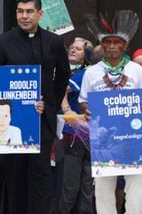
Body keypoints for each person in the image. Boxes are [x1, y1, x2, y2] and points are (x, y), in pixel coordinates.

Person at [0, 0, 70, 214]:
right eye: (20, 11)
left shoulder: (54, 41)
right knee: (14, 179)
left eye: (29, 11)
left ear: (40, 14)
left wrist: (50, 102)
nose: (24, 16)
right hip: (11, 123)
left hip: (41, 122)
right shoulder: (2, 42)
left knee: (40, 178)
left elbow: (63, 74)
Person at [79, 10, 142, 214]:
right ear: (102, 45)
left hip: (132, 136)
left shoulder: (136, 70)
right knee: (103, 187)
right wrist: (87, 110)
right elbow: (83, 101)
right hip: (103, 138)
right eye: (107, 42)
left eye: (116, 42)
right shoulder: (91, 73)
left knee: (136, 185)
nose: (111, 46)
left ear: (125, 45)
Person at [56, 37, 93, 214]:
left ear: (86, 56)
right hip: (76, 134)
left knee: (73, 187)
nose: (72, 50)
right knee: (82, 186)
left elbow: (63, 88)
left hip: (77, 135)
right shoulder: (69, 70)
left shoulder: (85, 72)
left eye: (78, 49)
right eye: (72, 47)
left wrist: (66, 108)